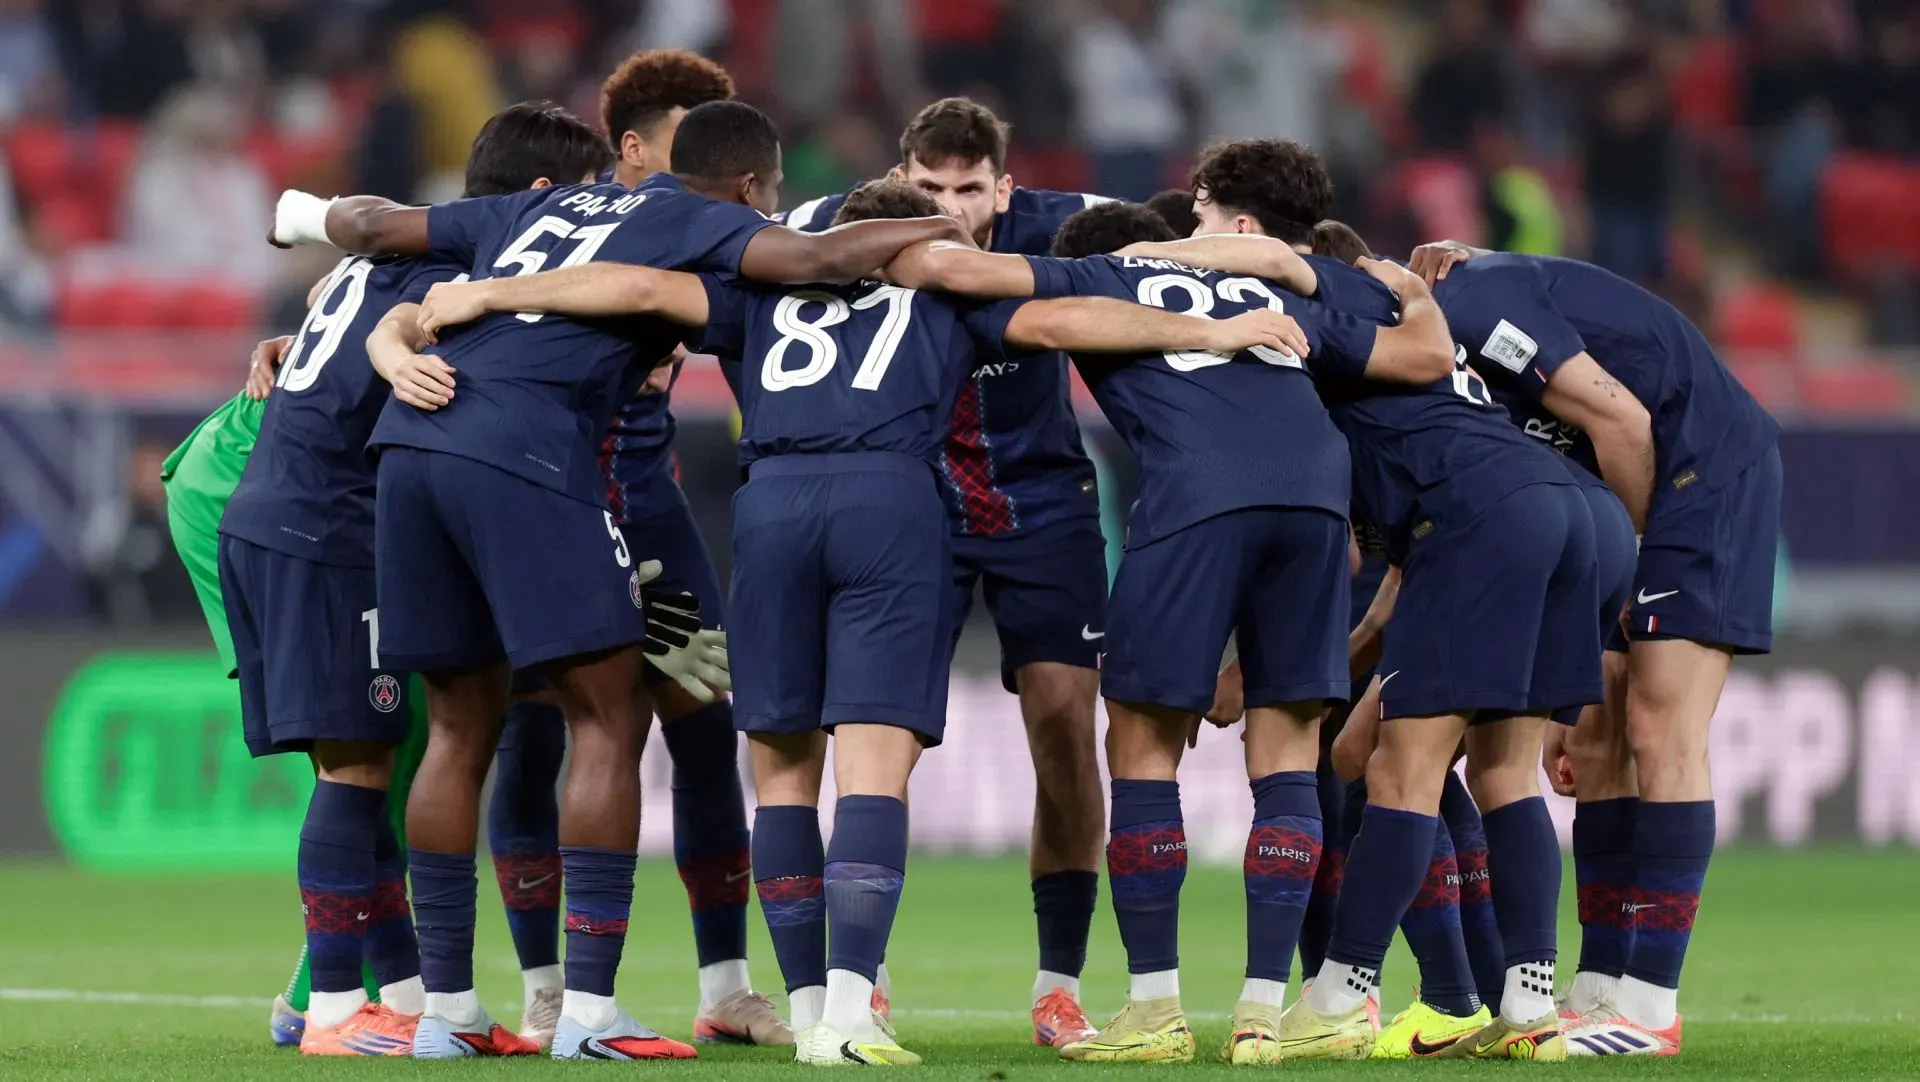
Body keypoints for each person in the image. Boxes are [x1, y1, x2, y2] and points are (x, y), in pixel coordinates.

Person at [407, 179, 1305, 1065]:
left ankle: (803, 1012)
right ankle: (848, 1012)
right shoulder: (945, 288)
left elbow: (636, 287)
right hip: (889, 501)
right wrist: (1210, 329)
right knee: (873, 764)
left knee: (785, 771)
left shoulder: (759, 290)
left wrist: (492, 290)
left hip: (772, 504)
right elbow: (1070, 321)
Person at [271, 99, 967, 1060]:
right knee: (606, 713)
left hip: (412, 451)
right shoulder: (706, 219)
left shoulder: (530, 209)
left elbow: (379, 226)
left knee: (462, 725)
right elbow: (818, 261)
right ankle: (590, 1015)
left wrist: (301, 214)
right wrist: (943, 221)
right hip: (527, 452)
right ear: (755, 188)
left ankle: (449, 1014)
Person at [884, 198, 1457, 1063]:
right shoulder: (1247, 278)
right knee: (1287, 752)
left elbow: (973, 280)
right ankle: (1270, 1013)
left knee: (1144, 747)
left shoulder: (1096, 270)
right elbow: (1417, 354)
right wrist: (1412, 283)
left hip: (1197, 491)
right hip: (1316, 499)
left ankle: (1154, 1010)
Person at [1132, 198, 1606, 1061]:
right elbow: (1391, 578)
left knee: (1400, 767)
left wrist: (1144, 255)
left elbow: (1279, 268)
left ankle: (1343, 991)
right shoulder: (1408, 322)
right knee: (1503, 771)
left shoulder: (1329, 324)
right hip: (1558, 507)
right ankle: (1532, 1005)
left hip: (1477, 521)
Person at [780, 96, 1114, 1046]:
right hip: (910, 506)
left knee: (1062, 724)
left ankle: (1058, 984)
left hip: (1040, 505)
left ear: (1005, 188)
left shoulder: (1063, 220)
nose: (949, 207)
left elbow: (1188, 231)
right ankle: (865, 970)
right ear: (901, 178)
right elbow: (723, 232)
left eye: (970, 190)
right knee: (881, 740)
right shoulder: (842, 222)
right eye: (929, 188)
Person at [1407, 239, 1782, 1057]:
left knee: (1659, 727)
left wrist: (1634, 570)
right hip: (1631, 485)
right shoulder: (1444, 339)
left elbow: (1622, 417)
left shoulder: (1468, 310)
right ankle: (1603, 984)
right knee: (1599, 740)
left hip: (1699, 472)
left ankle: (1650, 1008)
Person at [484, 47, 788, 1050]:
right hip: (551, 499)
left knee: (707, 717)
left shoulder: (697, 230)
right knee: (536, 729)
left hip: (648, 500)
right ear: (632, 147)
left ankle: (728, 984)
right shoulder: (563, 222)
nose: (703, 168)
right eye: (682, 141)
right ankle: (545, 983)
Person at [1172, 139, 1503, 1054]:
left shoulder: (1339, 367)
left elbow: (1396, 560)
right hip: (1450, 565)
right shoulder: (1371, 364)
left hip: (1423, 580)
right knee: (1398, 782)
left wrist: (1292, 662)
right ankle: (1458, 989)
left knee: (1378, 774)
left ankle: (1431, 992)